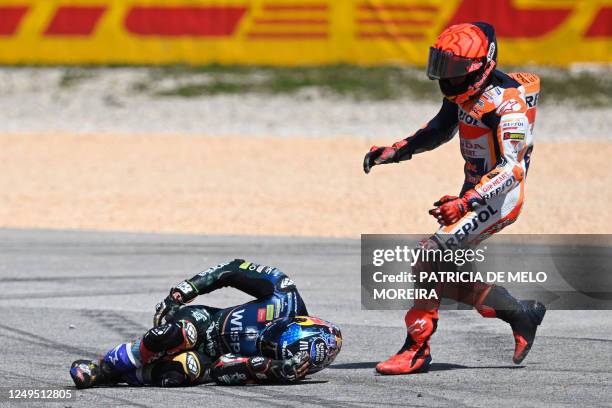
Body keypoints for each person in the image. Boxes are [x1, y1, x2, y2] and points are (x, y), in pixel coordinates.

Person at [363, 22, 545, 375]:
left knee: (427, 257)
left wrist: (466, 202)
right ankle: (519, 313)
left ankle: (416, 350)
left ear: (483, 66)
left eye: (456, 70)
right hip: (474, 194)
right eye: (442, 66)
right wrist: (395, 151)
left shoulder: (509, 109)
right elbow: (439, 129)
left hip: (499, 199)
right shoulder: (462, 94)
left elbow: (512, 169)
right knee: (439, 276)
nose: (447, 78)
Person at [70, 259, 342, 387]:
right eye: (275, 339)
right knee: (175, 336)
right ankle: (101, 368)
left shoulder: (284, 367)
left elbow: (223, 370)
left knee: (177, 375)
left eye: (272, 350)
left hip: (211, 357)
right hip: (205, 321)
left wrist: (267, 367)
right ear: (296, 322)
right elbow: (232, 269)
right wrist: (183, 291)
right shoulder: (285, 293)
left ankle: (124, 375)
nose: (266, 345)